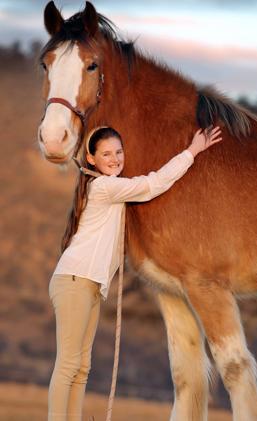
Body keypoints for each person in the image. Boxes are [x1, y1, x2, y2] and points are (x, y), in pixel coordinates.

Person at [48, 125, 222, 420]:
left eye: (119, 152)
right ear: (91, 159)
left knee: (82, 366)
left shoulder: (110, 187)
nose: (115, 159)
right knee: (68, 363)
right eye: (106, 154)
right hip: (74, 281)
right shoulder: (104, 187)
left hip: (88, 285)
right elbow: (152, 184)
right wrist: (192, 151)